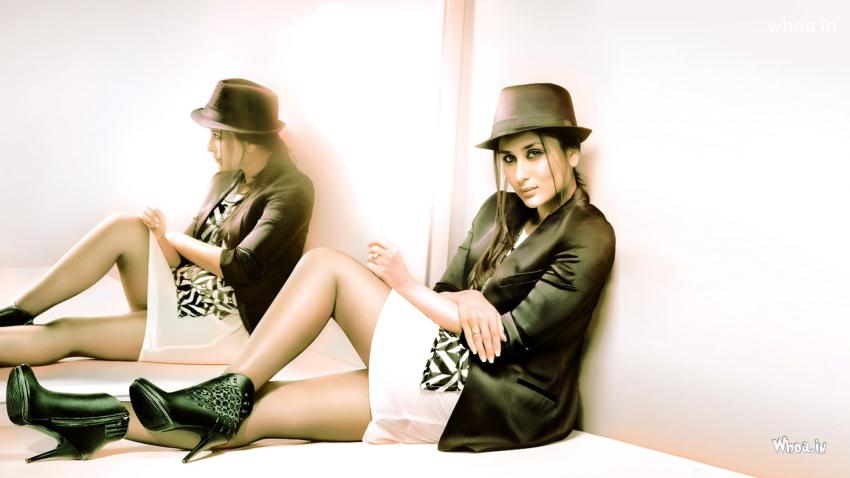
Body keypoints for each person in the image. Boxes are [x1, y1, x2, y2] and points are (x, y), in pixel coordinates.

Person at [5, 83, 614, 463]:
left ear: (570, 153)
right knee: (254, 415)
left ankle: (229, 383)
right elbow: (452, 290)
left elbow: (509, 337)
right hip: (440, 361)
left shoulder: (588, 233)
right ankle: (89, 418)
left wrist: (411, 287)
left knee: (325, 266)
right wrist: (463, 302)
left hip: (493, 394)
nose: (519, 173)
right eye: (508, 158)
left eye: (534, 155)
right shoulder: (497, 210)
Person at [0, 78, 314, 368]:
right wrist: (162, 238)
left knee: (68, 331)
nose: (209, 146)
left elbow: (242, 266)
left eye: (218, 136)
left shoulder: (292, 190)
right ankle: (18, 312)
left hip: (222, 321)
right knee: (125, 226)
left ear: (251, 142)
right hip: (180, 292)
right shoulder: (227, 180)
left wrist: (175, 238)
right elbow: (182, 261)